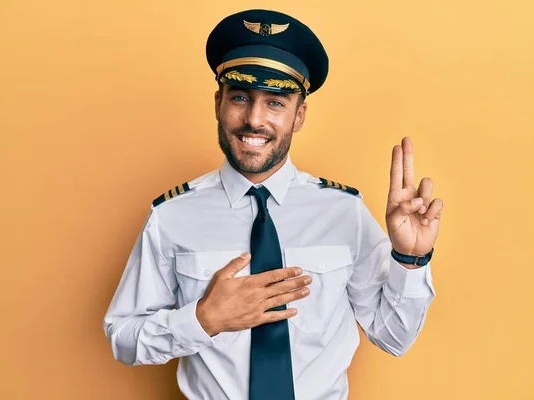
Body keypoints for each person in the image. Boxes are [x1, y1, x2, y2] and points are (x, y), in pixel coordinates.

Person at [103, 8, 443, 400]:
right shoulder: (171, 215)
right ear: (219, 103)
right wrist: (203, 319)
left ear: (299, 115)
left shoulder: (343, 211)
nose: (254, 119)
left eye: (276, 103)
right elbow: (123, 337)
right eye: (241, 97)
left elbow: (393, 338)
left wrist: (410, 260)